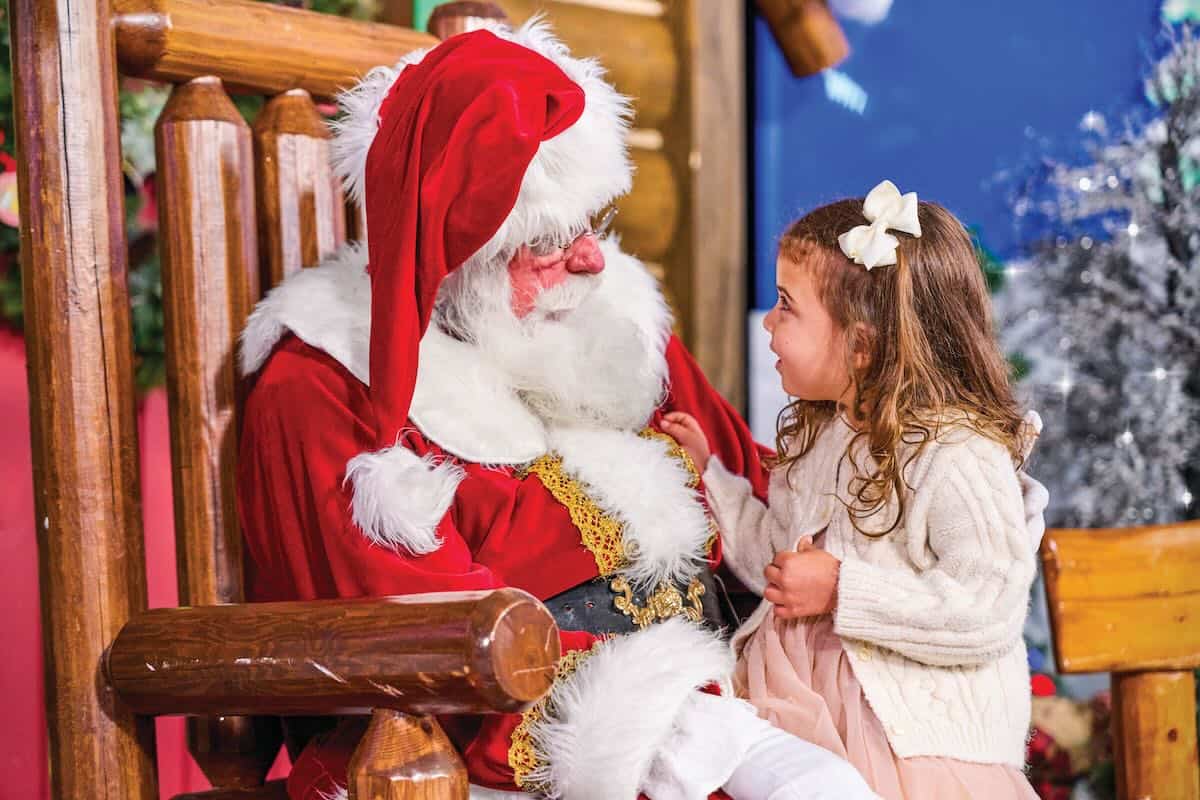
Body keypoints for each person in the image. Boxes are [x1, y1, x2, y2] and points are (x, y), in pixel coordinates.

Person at [236, 21, 890, 800]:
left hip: (743, 700)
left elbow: (759, 485)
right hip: (531, 759)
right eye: (547, 240)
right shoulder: (329, 390)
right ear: (453, 255)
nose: (589, 260)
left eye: (588, 225)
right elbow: (415, 651)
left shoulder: (612, 321)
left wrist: (903, 508)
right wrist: (692, 730)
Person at [662, 180, 1046, 800]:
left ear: (861, 346)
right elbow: (777, 560)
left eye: (787, 305)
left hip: (906, 734)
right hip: (802, 698)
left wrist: (843, 588)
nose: (769, 324)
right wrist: (712, 478)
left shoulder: (956, 454)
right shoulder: (822, 436)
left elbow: (986, 609)